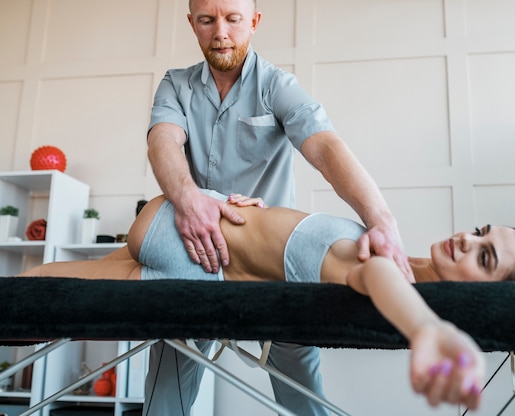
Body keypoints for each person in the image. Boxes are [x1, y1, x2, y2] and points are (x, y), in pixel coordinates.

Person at [19, 191, 515, 411]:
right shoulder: (389, 255)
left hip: (177, 234)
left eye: (484, 258)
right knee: (44, 302)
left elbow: (375, 281)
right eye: (481, 232)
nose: (467, 240)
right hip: (186, 237)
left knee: (42, 293)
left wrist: (427, 326)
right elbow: (375, 273)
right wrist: (428, 329)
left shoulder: (393, 272)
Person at [146, 0, 413, 413]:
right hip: (197, 254)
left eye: (233, 19)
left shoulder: (276, 85)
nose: (220, 31)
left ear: (253, 23)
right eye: (207, 20)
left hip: (268, 266)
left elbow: (324, 146)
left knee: (302, 395)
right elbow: (162, 140)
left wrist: (381, 219)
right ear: (192, 25)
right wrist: (188, 199)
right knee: (164, 393)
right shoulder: (175, 84)